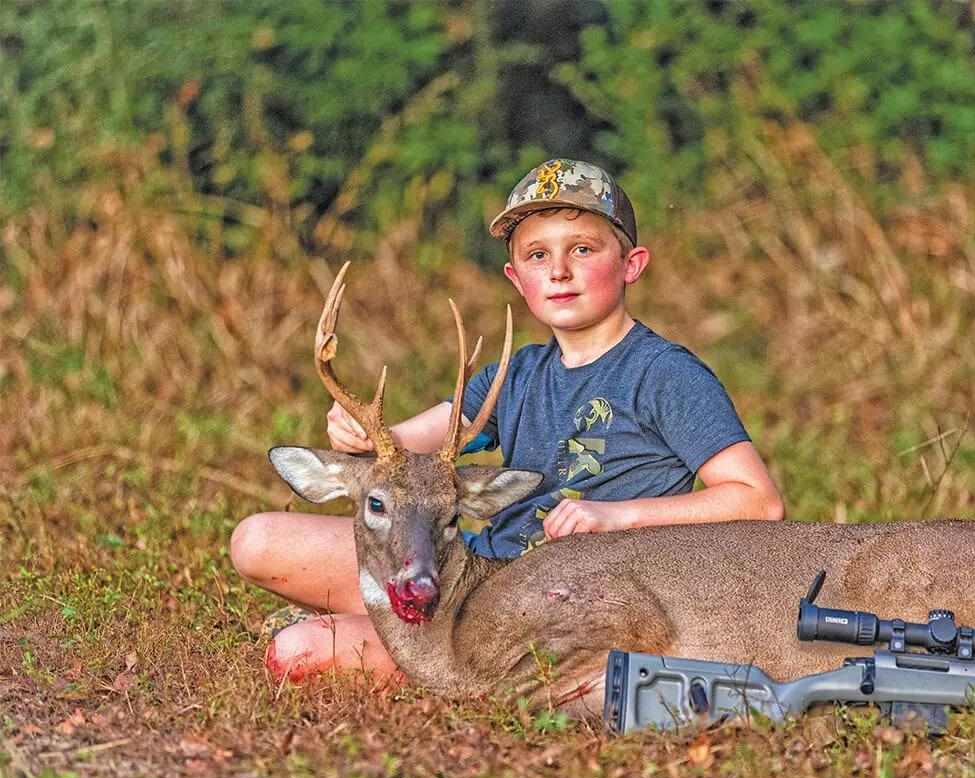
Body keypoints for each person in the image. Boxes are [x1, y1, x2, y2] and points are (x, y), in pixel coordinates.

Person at [230, 158, 786, 682]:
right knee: (258, 540)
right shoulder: (517, 374)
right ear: (516, 278)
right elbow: (407, 446)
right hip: (476, 573)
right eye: (537, 256)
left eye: (583, 249)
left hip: (573, 604)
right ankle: (396, 631)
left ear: (631, 264)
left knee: (296, 651)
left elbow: (758, 501)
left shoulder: (665, 374)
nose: (560, 271)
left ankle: (402, 647)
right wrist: (363, 437)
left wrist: (618, 516)